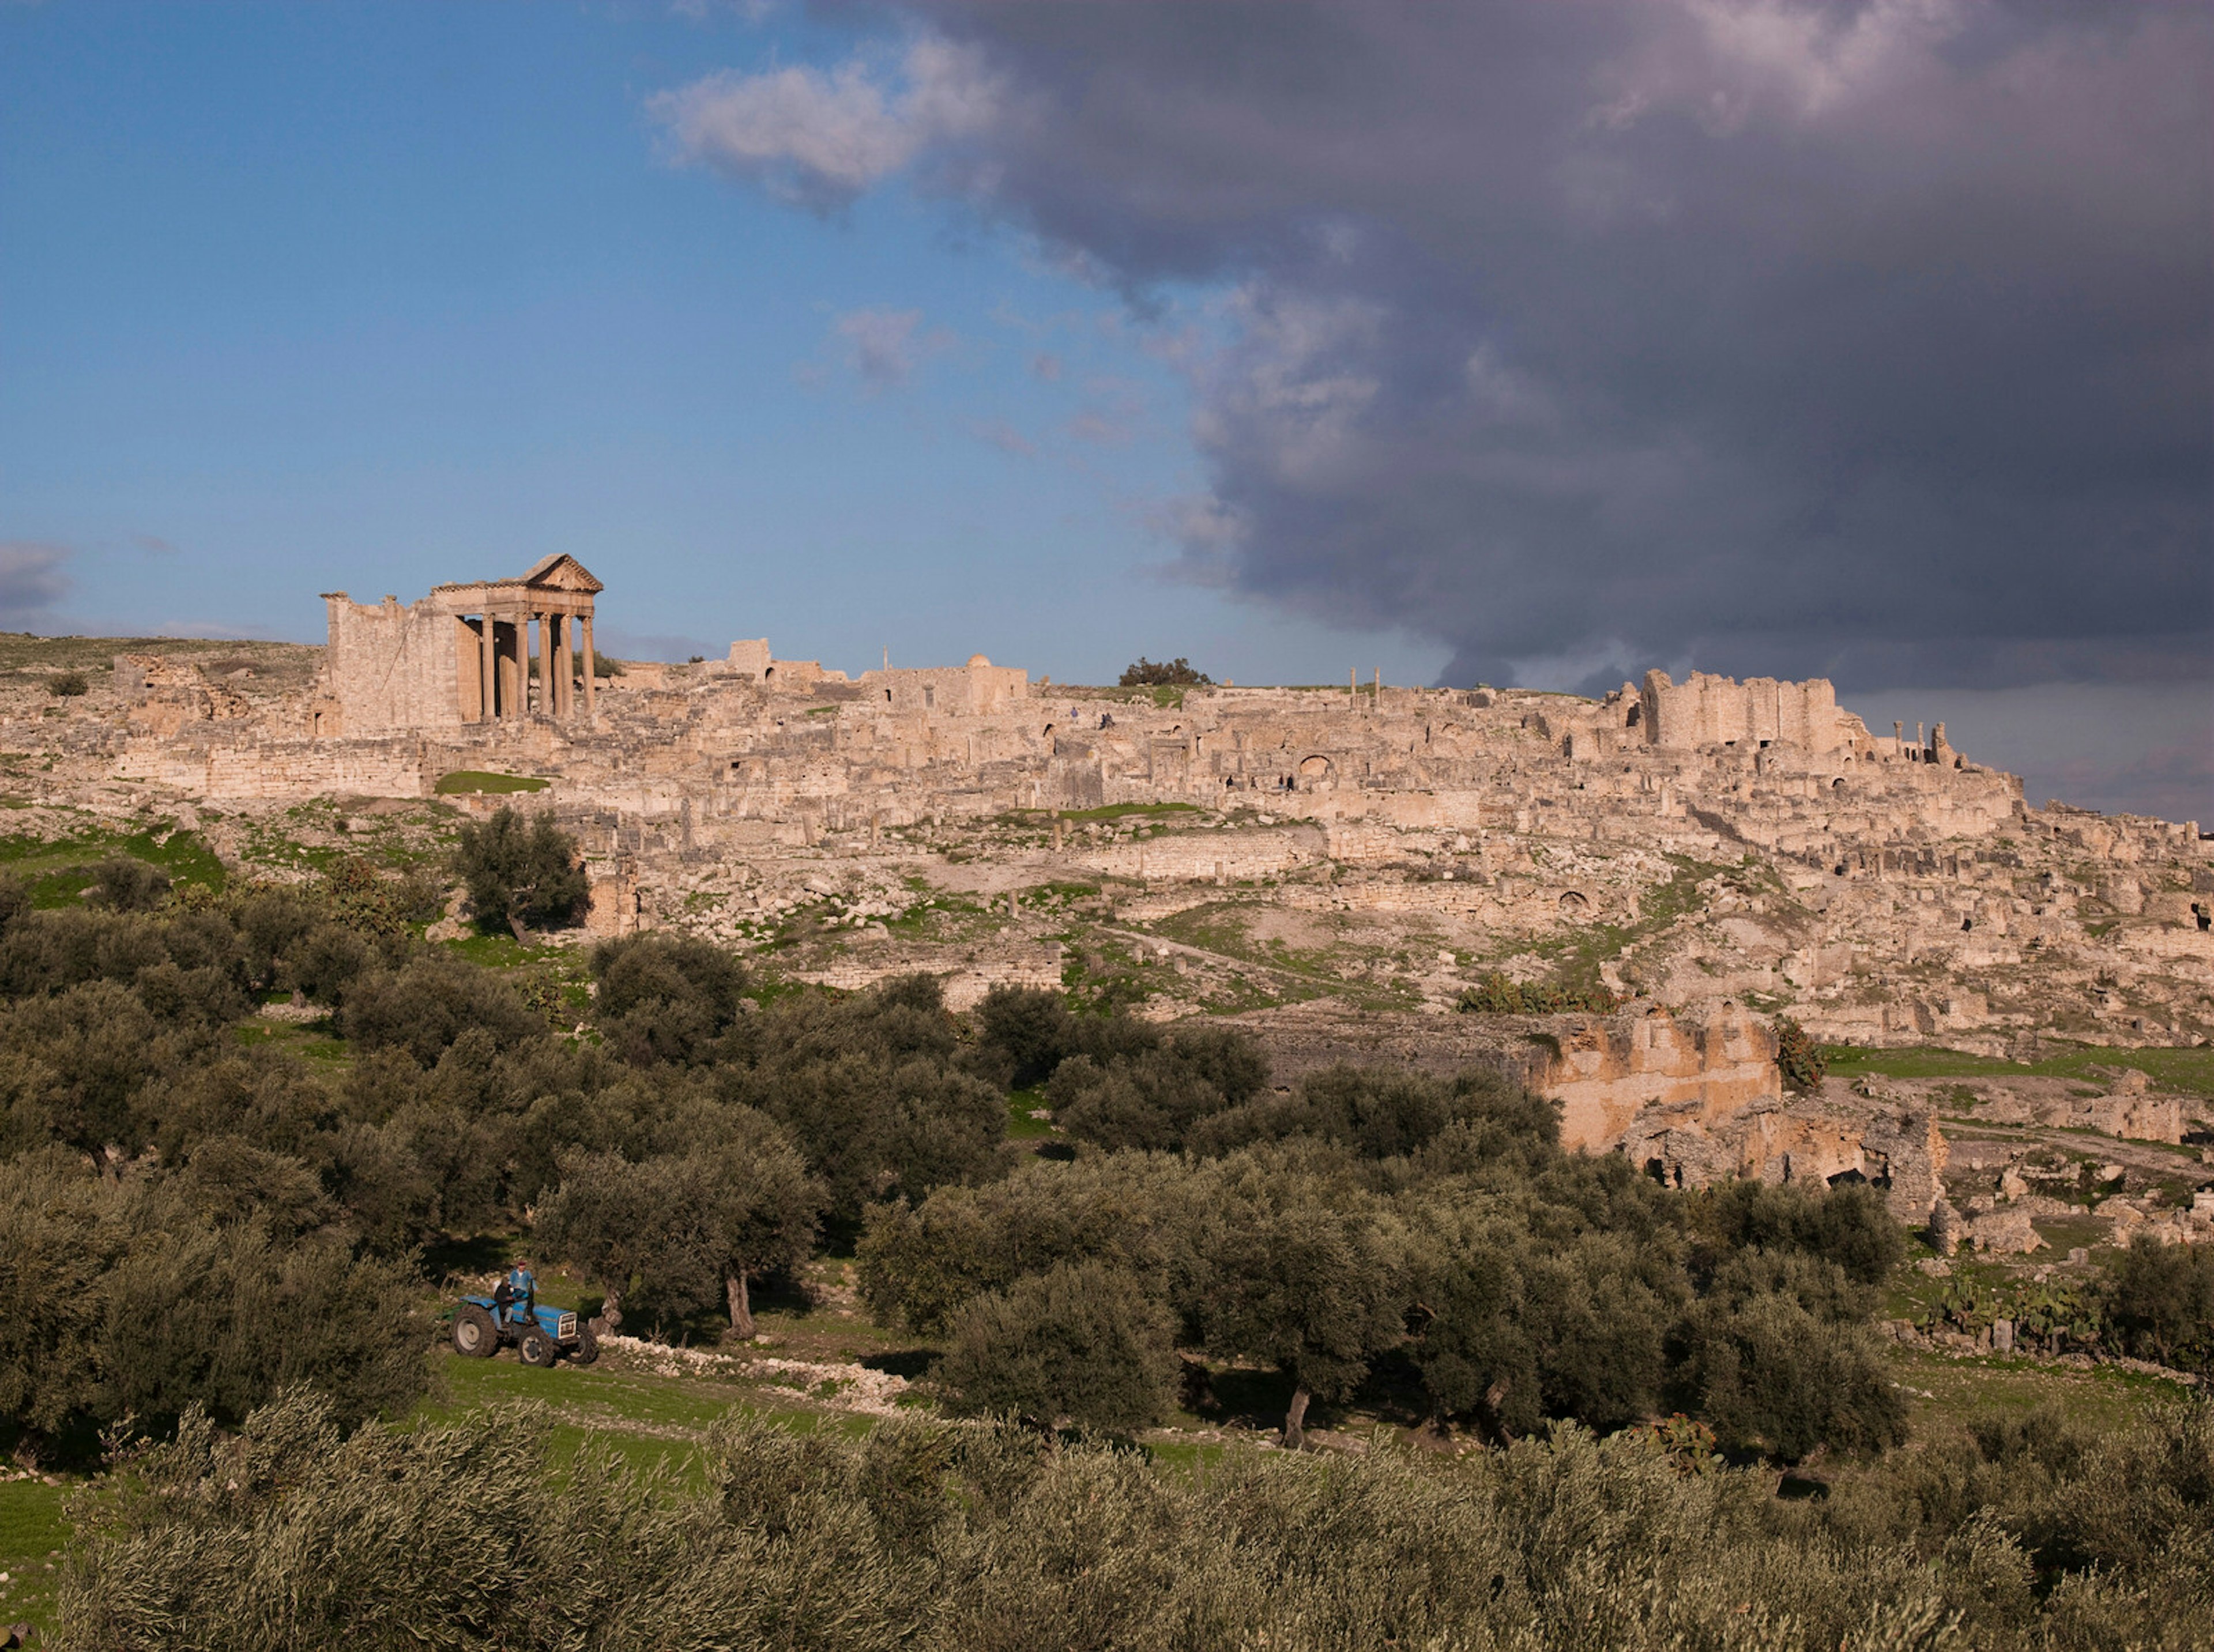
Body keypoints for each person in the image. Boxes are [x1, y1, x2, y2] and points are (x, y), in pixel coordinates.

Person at [494, 1257, 537, 1327]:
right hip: (502, 1305)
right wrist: (507, 1299)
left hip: (514, 1299)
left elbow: (531, 1281)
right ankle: (506, 1322)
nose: (507, 1284)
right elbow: (498, 1298)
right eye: (521, 1265)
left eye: (523, 1266)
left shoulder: (527, 1274)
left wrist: (514, 1288)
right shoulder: (500, 1290)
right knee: (510, 1310)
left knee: (523, 1303)